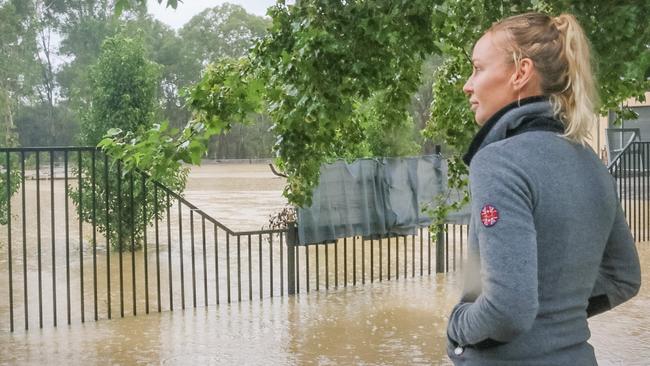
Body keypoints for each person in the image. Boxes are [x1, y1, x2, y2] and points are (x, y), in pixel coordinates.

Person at [446, 12, 641, 365]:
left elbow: (508, 308)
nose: (467, 85)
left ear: (521, 72)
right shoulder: (591, 162)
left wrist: (458, 326)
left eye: (477, 68)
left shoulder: (499, 162)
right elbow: (622, 278)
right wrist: (556, 313)